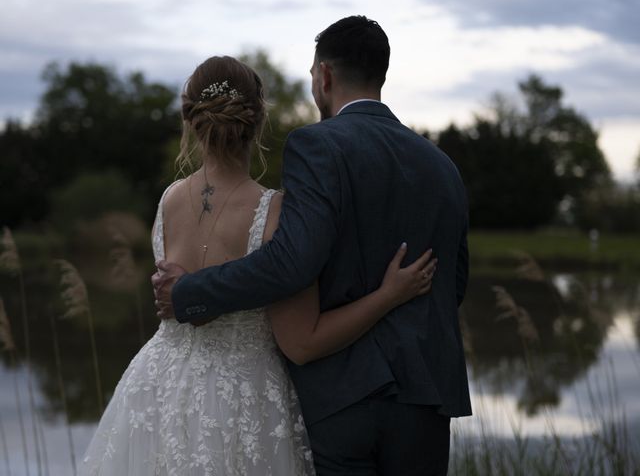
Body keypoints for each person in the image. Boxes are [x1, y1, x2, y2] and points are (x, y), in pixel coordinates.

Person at [79, 55, 436, 476]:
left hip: (157, 388)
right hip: (245, 398)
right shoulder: (276, 213)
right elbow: (303, 343)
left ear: (189, 120)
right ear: (259, 119)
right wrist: (387, 296)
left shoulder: (168, 200)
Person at [153, 15, 471, 476]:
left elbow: (290, 263)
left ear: (323, 76)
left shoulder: (317, 145)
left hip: (342, 397)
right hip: (425, 398)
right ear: (380, 73)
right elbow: (453, 283)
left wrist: (189, 292)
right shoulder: (442, 166)